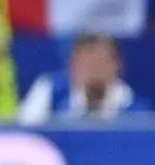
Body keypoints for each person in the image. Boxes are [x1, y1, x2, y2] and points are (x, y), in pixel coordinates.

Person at [19, 33, 148, 123]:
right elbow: (25, 132)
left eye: (102, 62)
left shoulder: (133, 107)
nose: (95, 71)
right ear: (72, 65)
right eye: (88, 63)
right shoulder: (49, 90)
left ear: (117, 65)